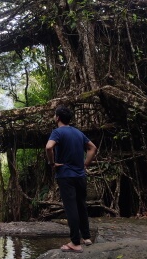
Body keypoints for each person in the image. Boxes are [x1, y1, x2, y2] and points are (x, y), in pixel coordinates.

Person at [45, 105, 97, 253]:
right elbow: (93, 148)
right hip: (80, 175)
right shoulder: (78, 132)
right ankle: (86, 237)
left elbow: (49, 147)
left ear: (58, 118)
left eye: (55, 115)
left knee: (71, 208)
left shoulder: (57, 132)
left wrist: (52, 163)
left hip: (65, 175)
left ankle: (75, 242)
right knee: (81, 205)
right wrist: (85, 163)